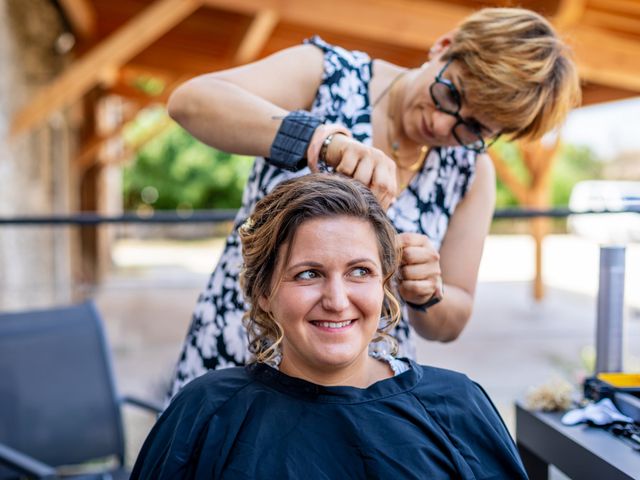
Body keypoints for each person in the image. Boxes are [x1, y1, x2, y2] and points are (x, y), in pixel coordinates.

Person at [166, 7, 581, 399]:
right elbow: (191, 101)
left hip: (365, 388)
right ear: (444, 45)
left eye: (473, 127)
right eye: (451, 93)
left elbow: (451, 320)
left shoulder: (471, 173)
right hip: (242, 349)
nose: (441, 125)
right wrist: (319, 140)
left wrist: (427, 291)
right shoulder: (326, 74)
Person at [131, 174, 528, 479]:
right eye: (308, 274)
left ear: (384, 283)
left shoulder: (456, 405)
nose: (337, 301)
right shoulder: (208, 412)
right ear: (264, 292)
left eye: (359, 271)